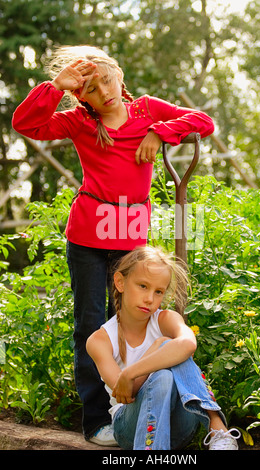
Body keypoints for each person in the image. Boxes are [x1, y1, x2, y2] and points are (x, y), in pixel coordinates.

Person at [12, 45, 215, 445]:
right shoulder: (78, 122)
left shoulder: (146, 111)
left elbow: (203, 121)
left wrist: (161, 131)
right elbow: (26, 124)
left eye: (106, 80)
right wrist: (57, 86)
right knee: (90, 323)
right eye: (89, 88)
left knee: (128, 322)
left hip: (129, 237)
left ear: (119, 76)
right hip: (88, 235)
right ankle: (96, 420)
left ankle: (131, 405)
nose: (102, 91)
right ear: (81, 97)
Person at [86, 245, 240, 450]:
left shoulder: (166, 319)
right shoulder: (100, 340)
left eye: (158, 291)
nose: (150, 298)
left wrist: (131, 371)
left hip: (180, 425)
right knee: (164, 373)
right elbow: (125, 394)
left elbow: (188, 344)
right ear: (120, 282)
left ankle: (217, 430)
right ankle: (215, 429)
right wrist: (157, 349)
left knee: (172, 347)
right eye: (142, 286)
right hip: (130, 428)